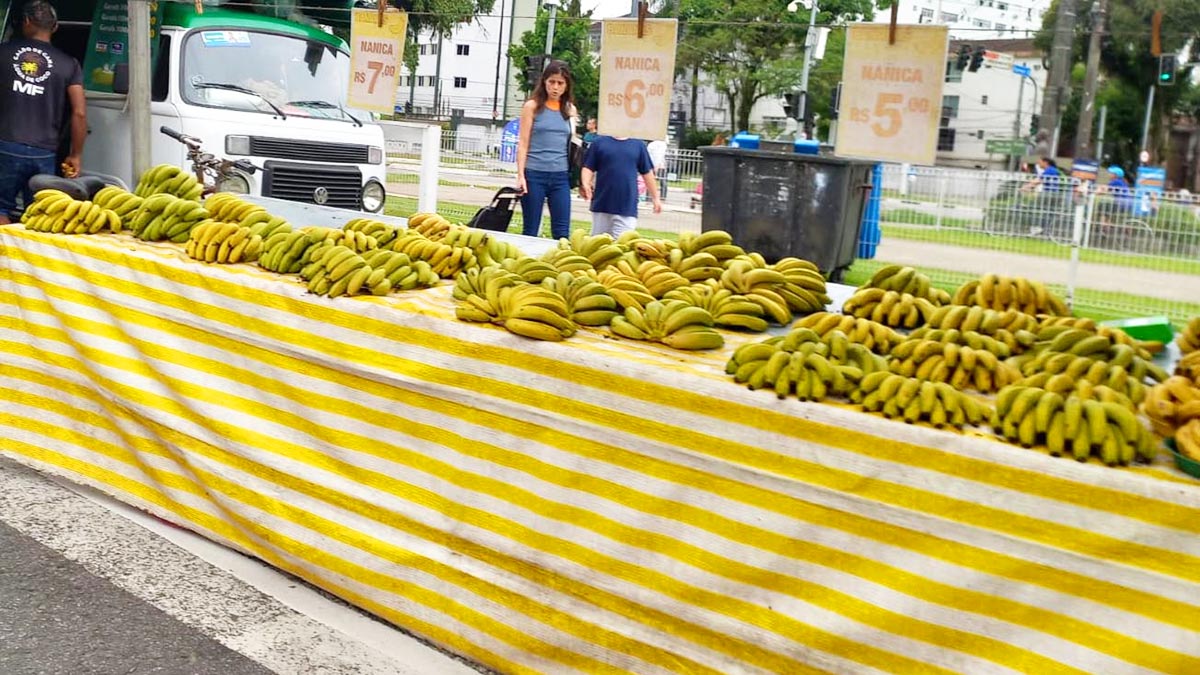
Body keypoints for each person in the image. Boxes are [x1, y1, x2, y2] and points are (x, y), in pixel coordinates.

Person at [0, 0, 85, 224]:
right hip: (44, 152)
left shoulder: (3, 52)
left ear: (26, 21)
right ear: (54, 27)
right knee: (38, 214)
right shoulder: (69, 64)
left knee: (1, 208)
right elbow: (79, 113)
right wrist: (75, 155)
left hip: (6, 144)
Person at [515, 60, 576, 239]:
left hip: (560, 175)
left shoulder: (569, 109)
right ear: (544, 82)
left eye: (560, 83)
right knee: (531, 230)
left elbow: (572, 143)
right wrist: (520, 175)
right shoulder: (532, 106)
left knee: (562, 233)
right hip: (534, 174)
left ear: (566, 85)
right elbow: (523, 143)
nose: (555, 87)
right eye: (552, 82)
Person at [579, 134, 662, 237]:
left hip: (627, 206)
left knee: (623, 242)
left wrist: (655, 198)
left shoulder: (638, 145)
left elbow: (647, 173)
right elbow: (588, 167)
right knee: (598, 242)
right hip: (602, 203)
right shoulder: (599, 142)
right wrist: (586, 183)